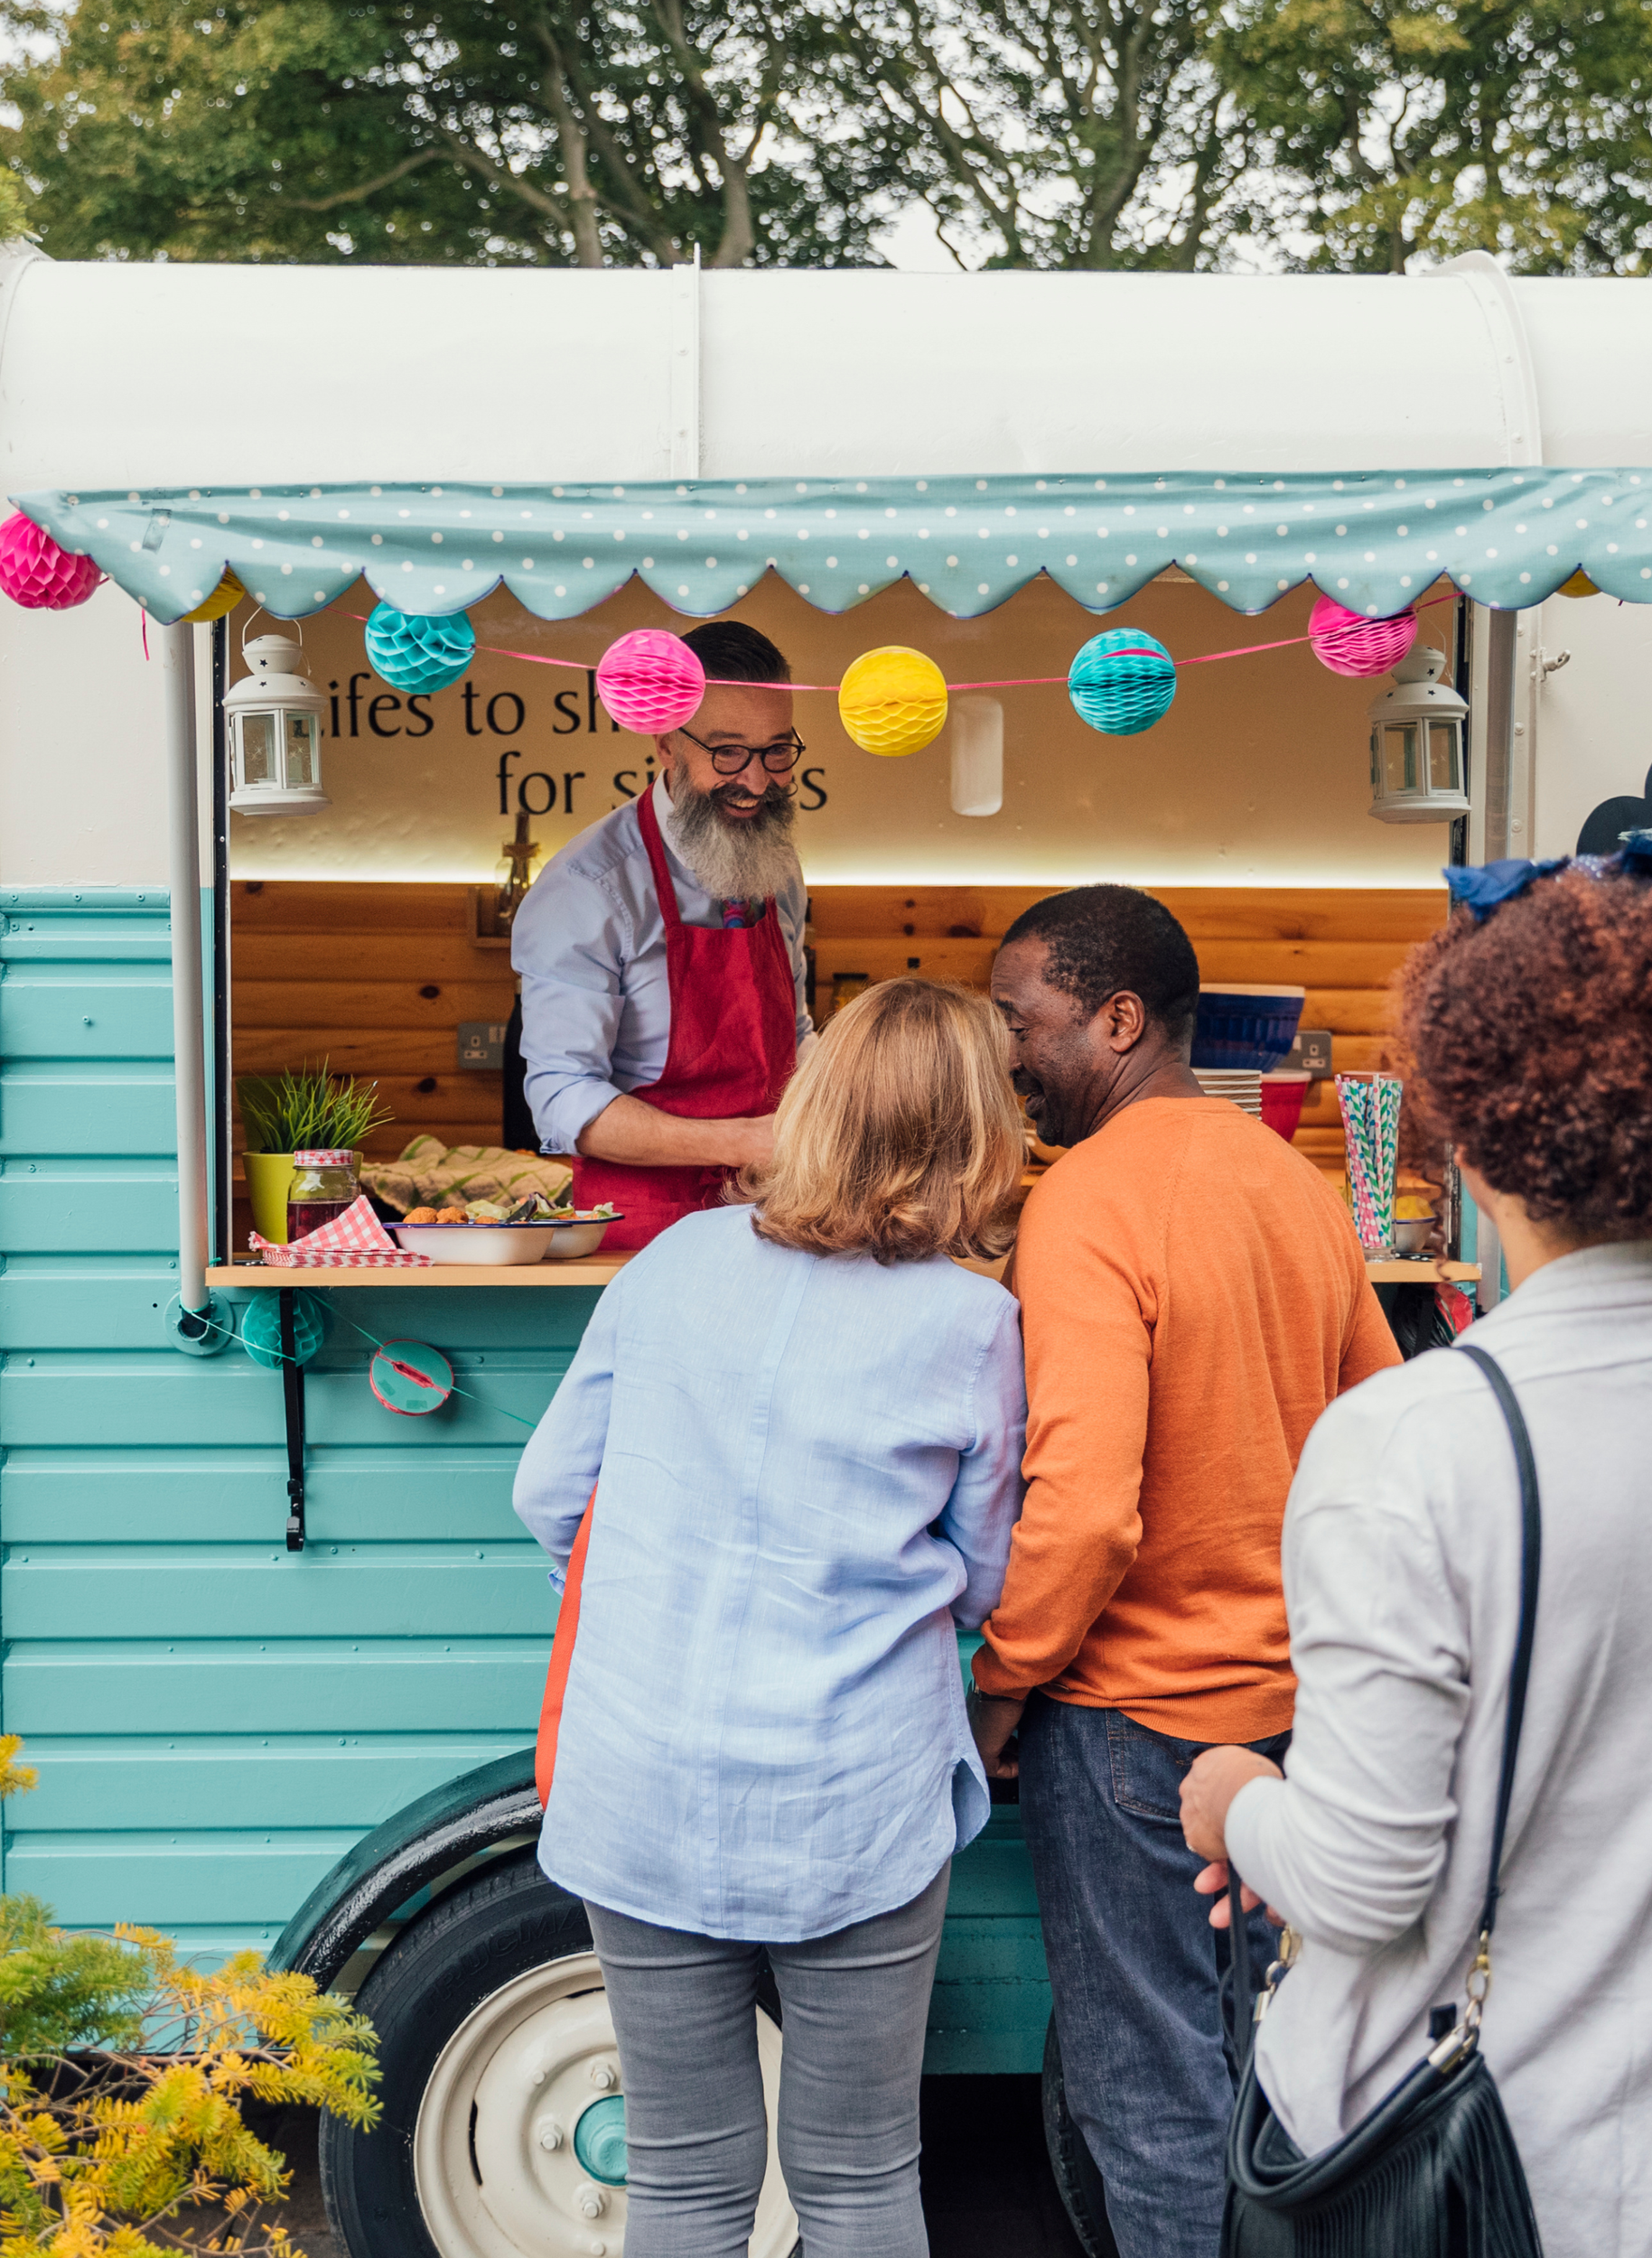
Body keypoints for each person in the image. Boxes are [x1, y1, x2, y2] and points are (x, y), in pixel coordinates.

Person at [1177, 844, 1652, 2258]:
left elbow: (1364, 1882)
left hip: (1479, 2169)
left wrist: (1236, 1805)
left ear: (1472, 1124)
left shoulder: (1410, 1441)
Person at [513, 976, 1027, 2258]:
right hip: (853, 1792)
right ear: (977, 1136)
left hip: (638, 1777)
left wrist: (667, 1576)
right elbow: (987, 1574)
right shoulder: (976, 1324)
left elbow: (547, 1492)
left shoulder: (674, 1262)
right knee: (858, 2180)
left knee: (684, 2184)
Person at [966, 884, 1400, 2258]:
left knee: (1149, 2103)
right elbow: (1379, 1446)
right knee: (1285, 2085)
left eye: (1018, 1021)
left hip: (1132, 1727)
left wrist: (1000, 1680)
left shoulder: (1084, 1203)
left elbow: (1085, 1512)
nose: (1006, 1052)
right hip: (1296, 1722)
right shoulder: (1298, 1186)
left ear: (1118, 1017)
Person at [511, 618, 816, 1251]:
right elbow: (563, 1097)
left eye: (778, 751)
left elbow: (796, 1035)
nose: (756, 782)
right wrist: (746, 1141)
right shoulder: (588, 887)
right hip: (642, 1237)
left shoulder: (777, 863)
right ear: (667, 742)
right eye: (727, 751)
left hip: (779, 1215)